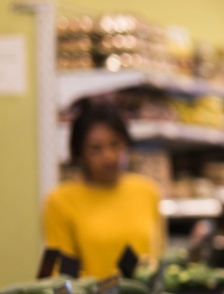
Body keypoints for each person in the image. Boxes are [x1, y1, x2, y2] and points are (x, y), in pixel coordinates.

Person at [43, 102, 162, 278]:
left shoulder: (148, 191)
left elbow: (157, 257)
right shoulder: (60, 200)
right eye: (95, 148)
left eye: (115, 144)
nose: (108, 156)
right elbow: (62, 273)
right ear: (80, 152)